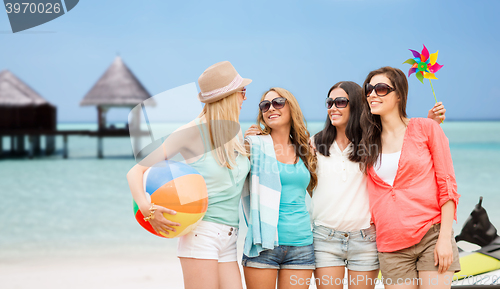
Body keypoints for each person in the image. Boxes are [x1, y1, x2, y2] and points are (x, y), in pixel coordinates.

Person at [309, 81, 446, 289]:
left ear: (355, 105)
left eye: (340, 102)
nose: (333, 107)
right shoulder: (313, 144)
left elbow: (405, 149)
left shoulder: (373, 143)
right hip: (324, 238)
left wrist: (430, 124)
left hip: (366, 238)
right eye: (329, 102)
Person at [126, 61, 251, 289]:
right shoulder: (191, 133)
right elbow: (136, 171)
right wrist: (147, 209)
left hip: (231, 236)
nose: (245, 98)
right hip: (201, 234)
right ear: (228, 97)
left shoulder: (235, 130)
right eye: (242, 92)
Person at [360, 66, 460, 289]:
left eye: (381, 88)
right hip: (390, 244)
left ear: (399, 95)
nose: (373, 94)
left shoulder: (427, 128)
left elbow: (447, 185)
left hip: (431, 236)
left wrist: (444, 239)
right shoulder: (367, 141)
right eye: (369, 88)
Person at [242, 87, 318, 289]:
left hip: (302, 244)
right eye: (265, 105)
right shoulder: (254, 145)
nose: (270, 108)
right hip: (263, 245)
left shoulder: (306, 150)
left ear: (291, 107)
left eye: (278, 102)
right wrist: (245, 147)